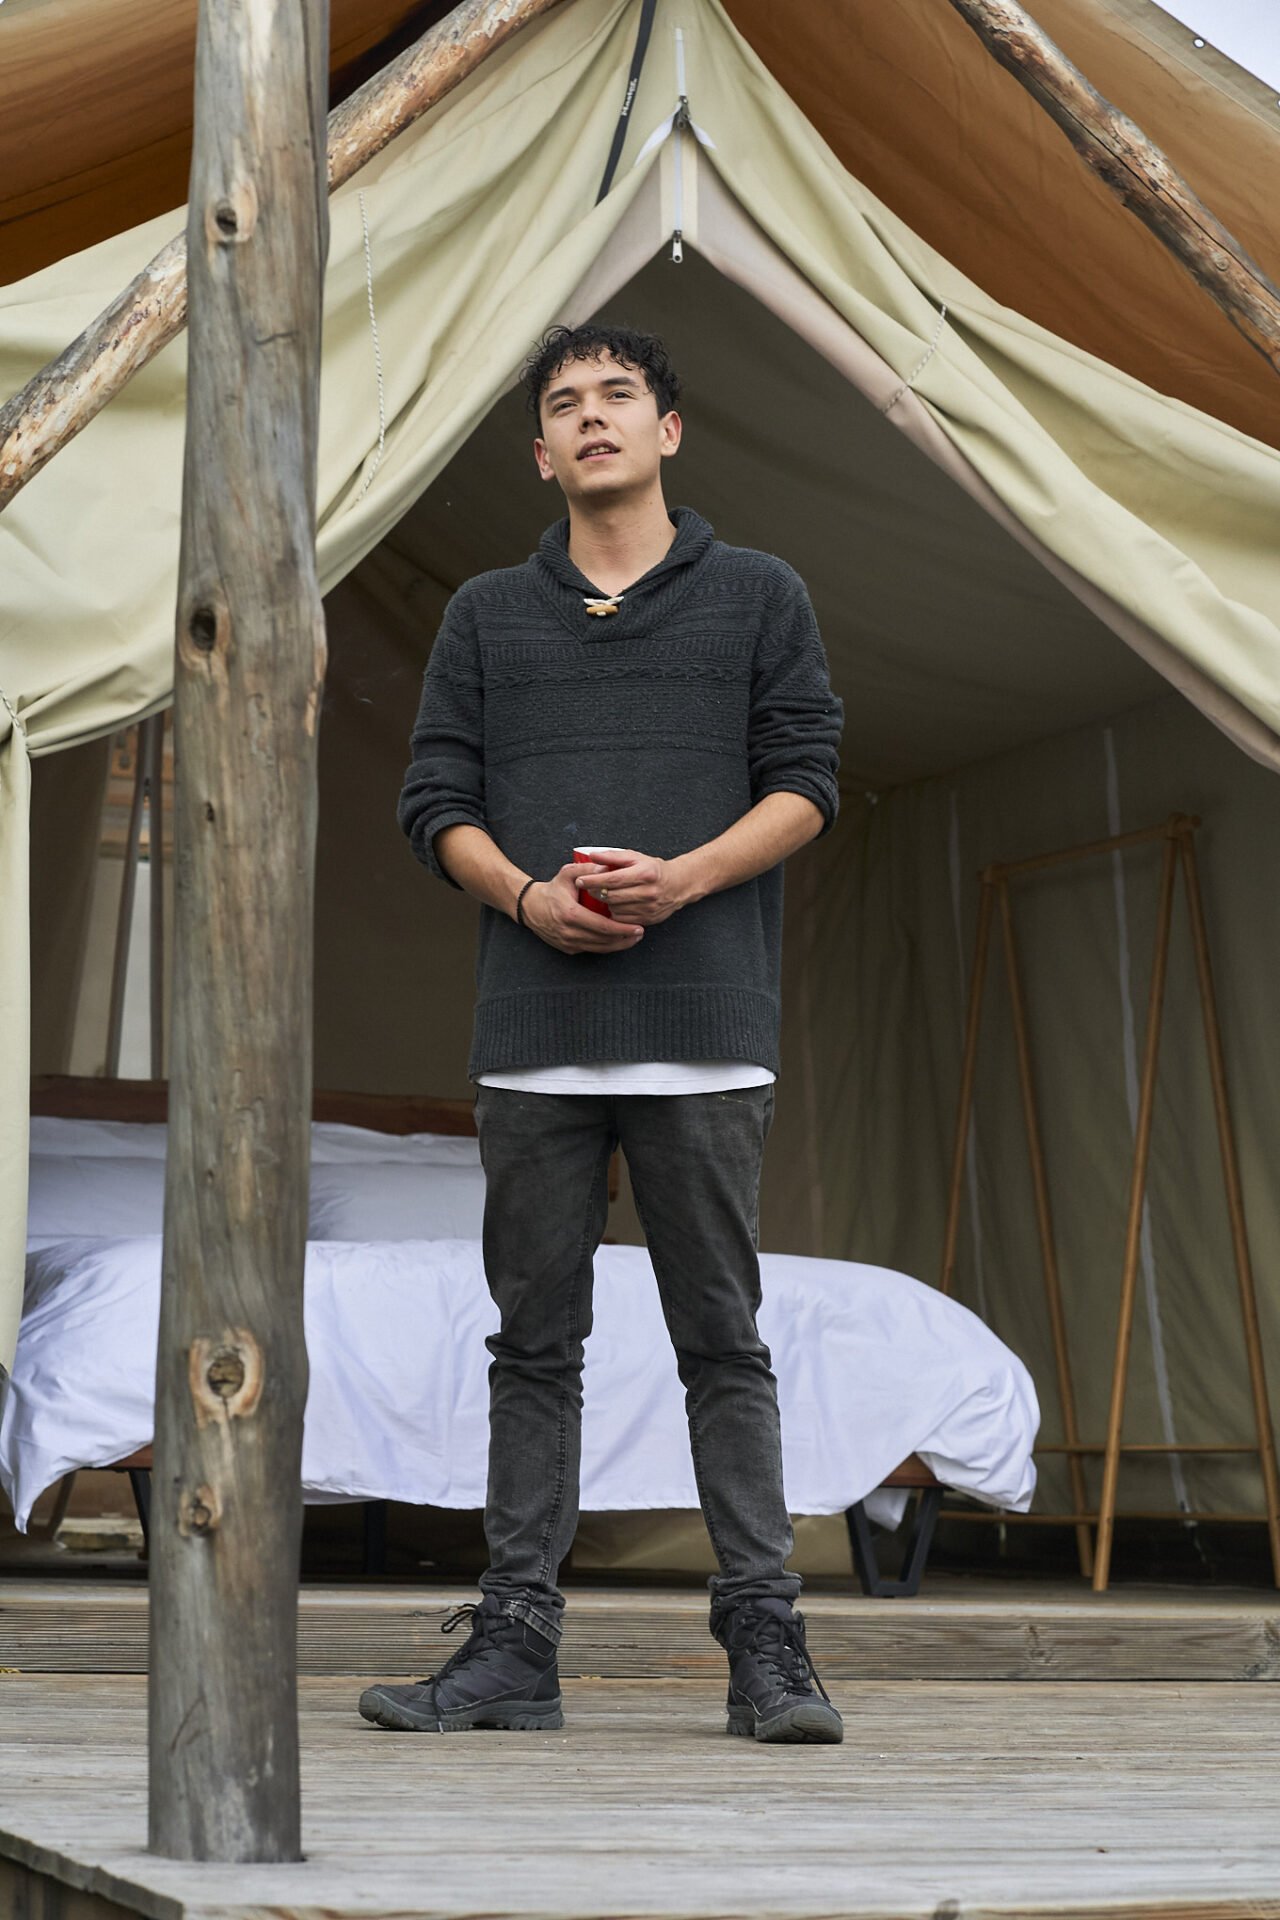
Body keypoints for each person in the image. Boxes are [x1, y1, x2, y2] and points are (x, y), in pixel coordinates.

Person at [359, 322, 844, 1744]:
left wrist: (685, 879)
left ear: (670, 430)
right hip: (532, 1031)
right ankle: (513, 1652)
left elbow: (808, 778)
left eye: (617, 396)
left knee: (723, 1340)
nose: (590, 419)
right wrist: (521, 896)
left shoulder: (761, 595)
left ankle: (768, 1651)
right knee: (532, 1347)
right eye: (563, 405)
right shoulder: (483, 616)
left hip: (705, 1029)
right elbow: (431, 796)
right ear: (540, 451)